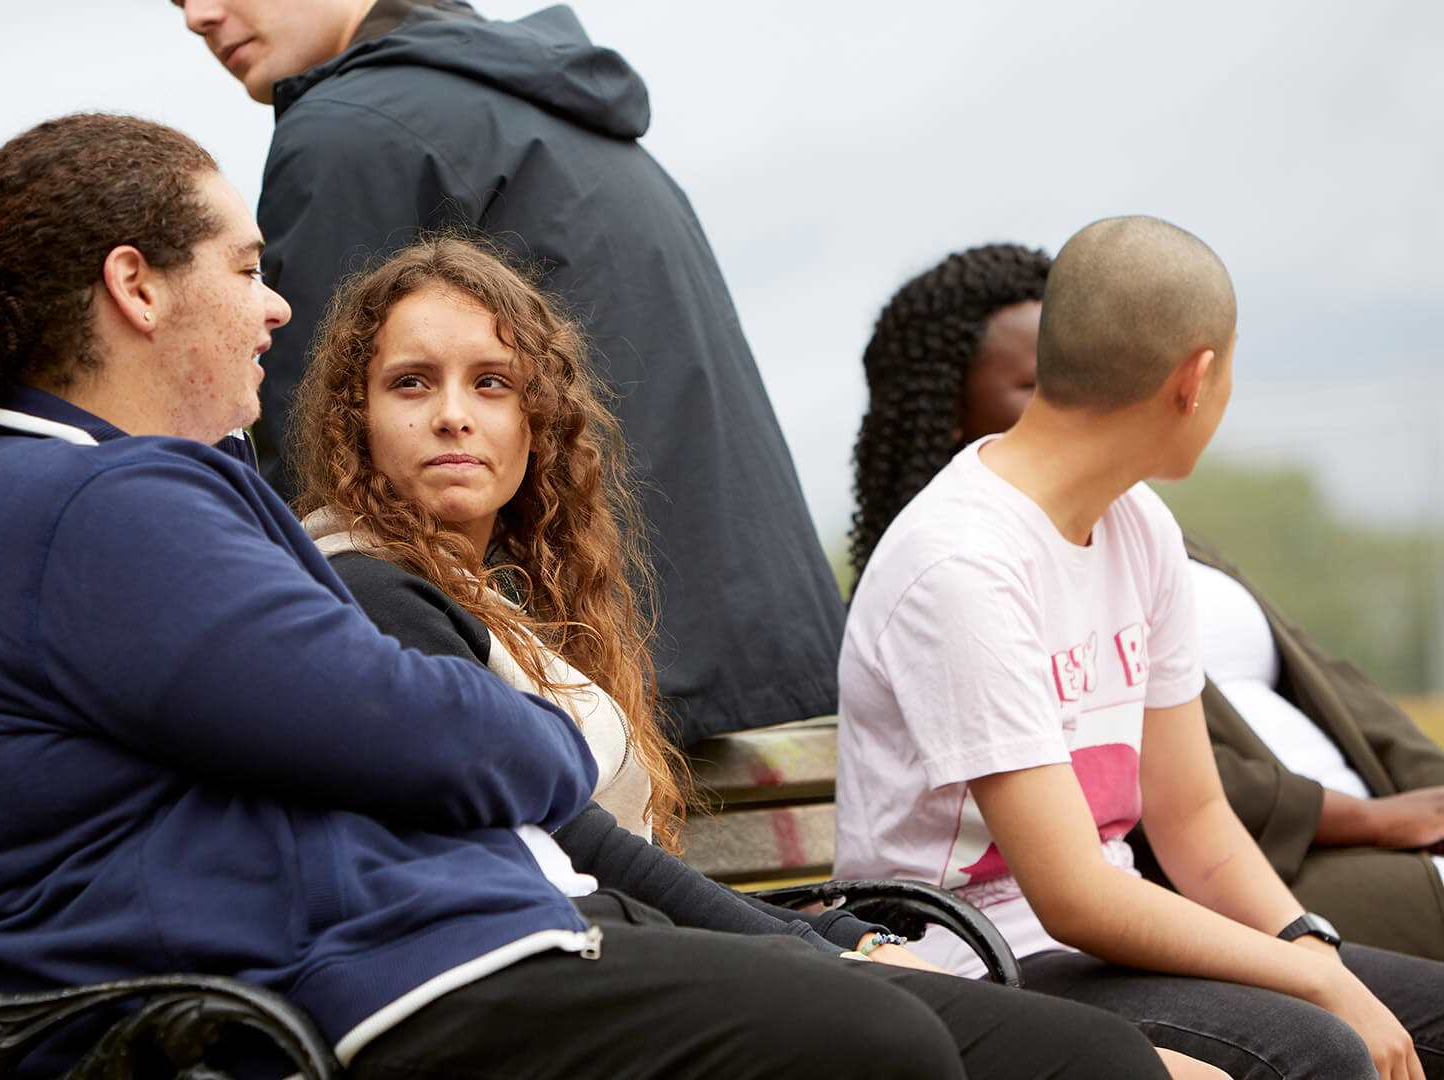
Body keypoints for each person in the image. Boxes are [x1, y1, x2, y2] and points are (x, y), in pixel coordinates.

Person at [0, 114, 1172, 1080]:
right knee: (869, 1044)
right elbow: (410, 723)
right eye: (248, 266)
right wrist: (534, 732)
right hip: (245, 1014)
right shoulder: (98, 510)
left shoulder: (127, 487)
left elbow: (356, 724)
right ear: (137, 286)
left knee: (1008, 1051)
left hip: (348, 967)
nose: (274, 306)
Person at [285, 233, 1242, 1080]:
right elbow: (575, 842)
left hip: (627, 951)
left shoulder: (502, 601)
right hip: (522, 975)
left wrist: (831, 932)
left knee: (1089, 1054)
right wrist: (830, 946)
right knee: (1066, 1055)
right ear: (355, 418)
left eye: (491, 383)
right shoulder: (368, 593)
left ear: (535, 422)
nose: (454, 414)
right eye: (412, 382)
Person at [835, 215, 1444, 1079]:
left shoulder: (1139, 527)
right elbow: (1073, 894)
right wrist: (1317, 987)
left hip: (1097, 949)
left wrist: (1312, 948)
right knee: (1323, 1051)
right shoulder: (961, 563)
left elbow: (1193, 820)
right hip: (975, 963)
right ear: (1195, 379)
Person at [170, 0, 846, 745]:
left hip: (573, 679)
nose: (198, 16)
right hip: (693, 648)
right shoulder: (530, 98)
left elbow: (315, 449)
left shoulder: (350, 130)